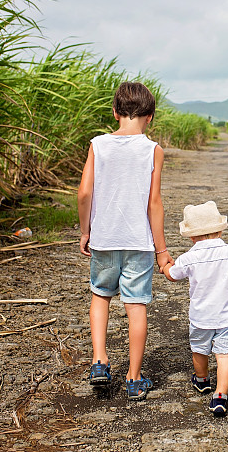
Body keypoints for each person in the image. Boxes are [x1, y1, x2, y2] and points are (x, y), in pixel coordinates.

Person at [77, 81, 172, 401]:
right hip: (139, 242)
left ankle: (100, 362)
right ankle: (133, 378)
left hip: (104, 238)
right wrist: (162, 250)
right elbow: (154, 203)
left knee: (100, 296)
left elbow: (85, 193)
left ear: (115, 112)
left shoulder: (98, 145)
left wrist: (85, 230)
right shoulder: (153, 150)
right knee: (136, 306)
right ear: (151, 117)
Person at [162, 201, 228, 416]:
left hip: (200, 316)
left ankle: (202, 380)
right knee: (225, 355)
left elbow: (173, 275)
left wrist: (165, 265)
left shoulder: (188, 258)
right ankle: (220, 396)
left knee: (199, 350)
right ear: (219, 230)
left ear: (191, 236)